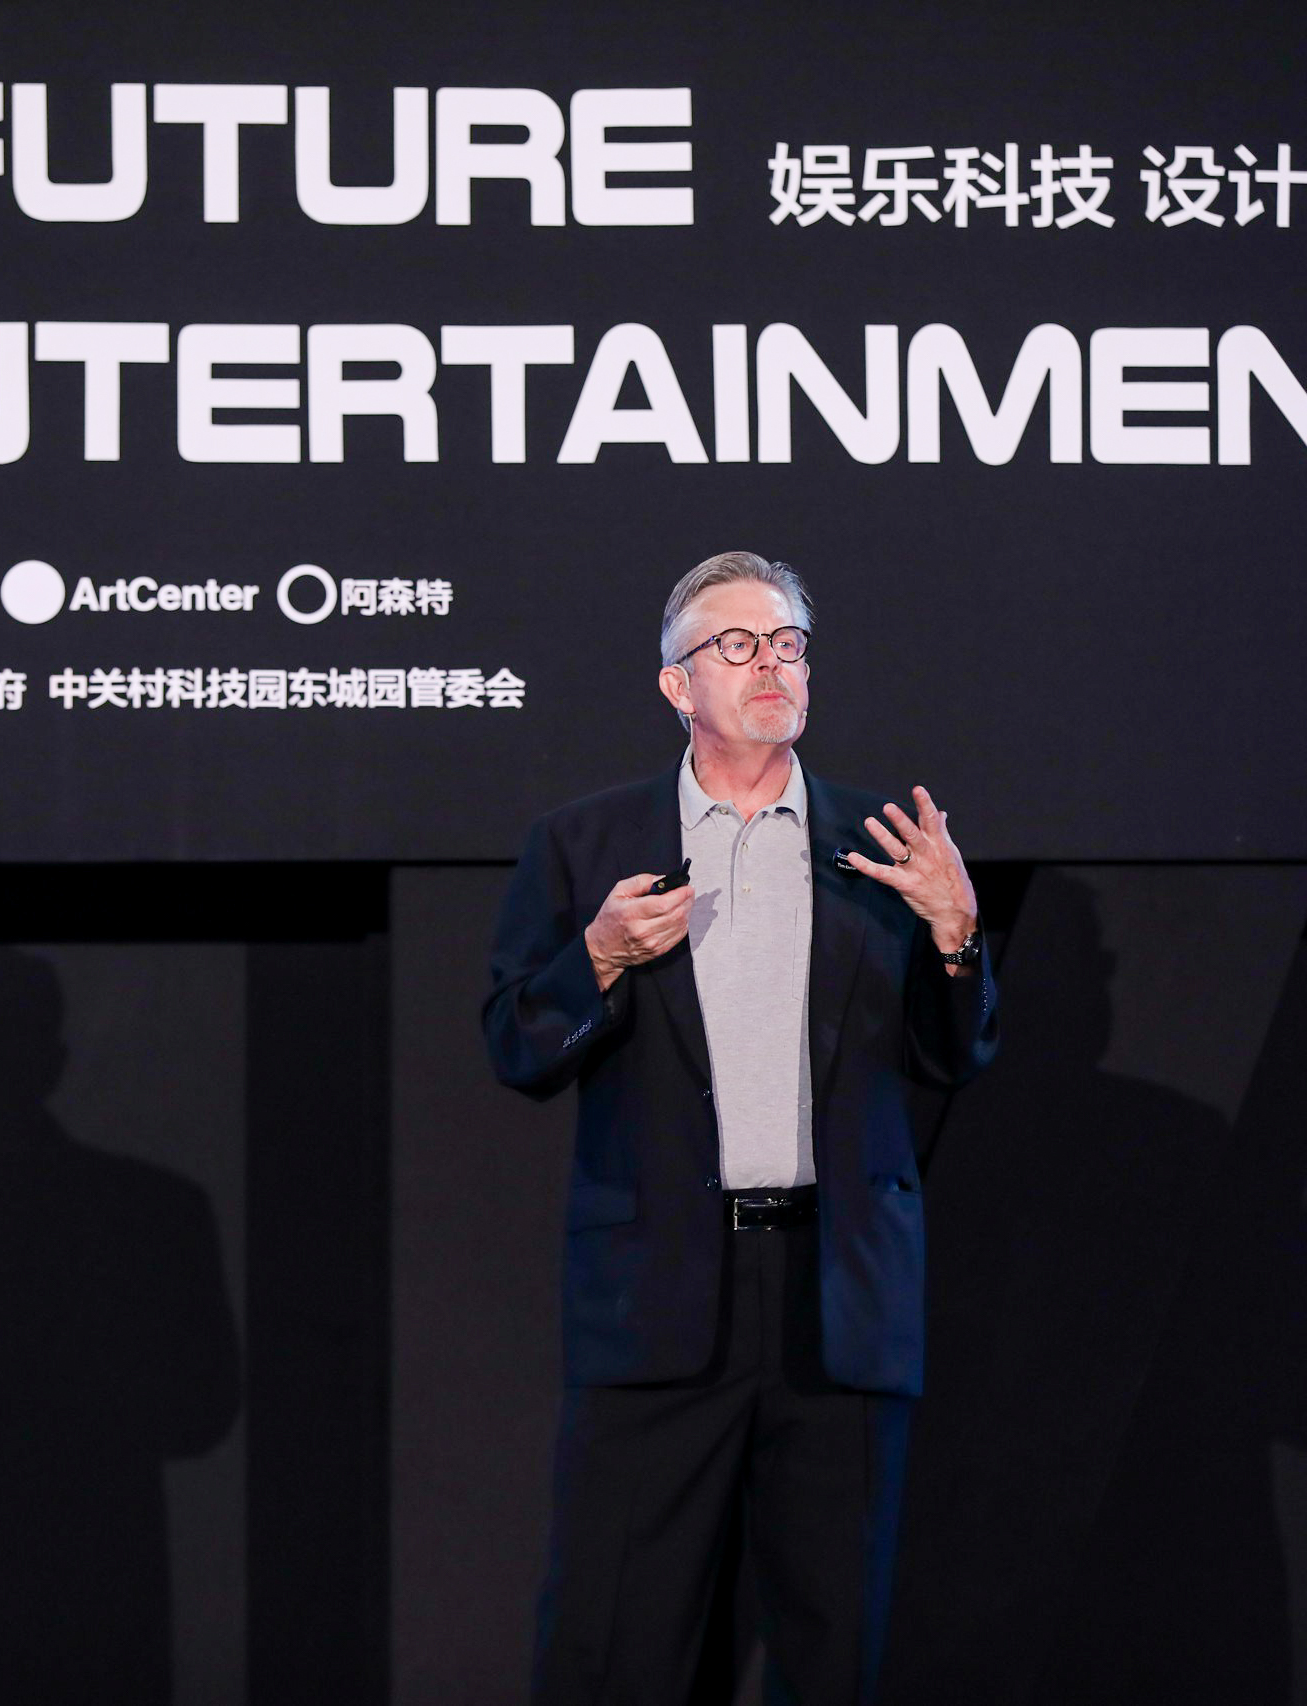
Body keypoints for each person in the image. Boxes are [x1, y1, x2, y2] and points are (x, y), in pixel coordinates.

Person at [483, 550, 1000, 1705]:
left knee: (834, 1653)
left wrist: (956, 936)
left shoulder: (883, 846)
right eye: (736, 644)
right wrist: (597, 956)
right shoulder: (584, 843)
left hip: (841, 1297)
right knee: (617, 1645)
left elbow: (952, 1056)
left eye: (787, 644)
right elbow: (516, 1048)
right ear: (677, 684)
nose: (770, 664)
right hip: (657, 1301)